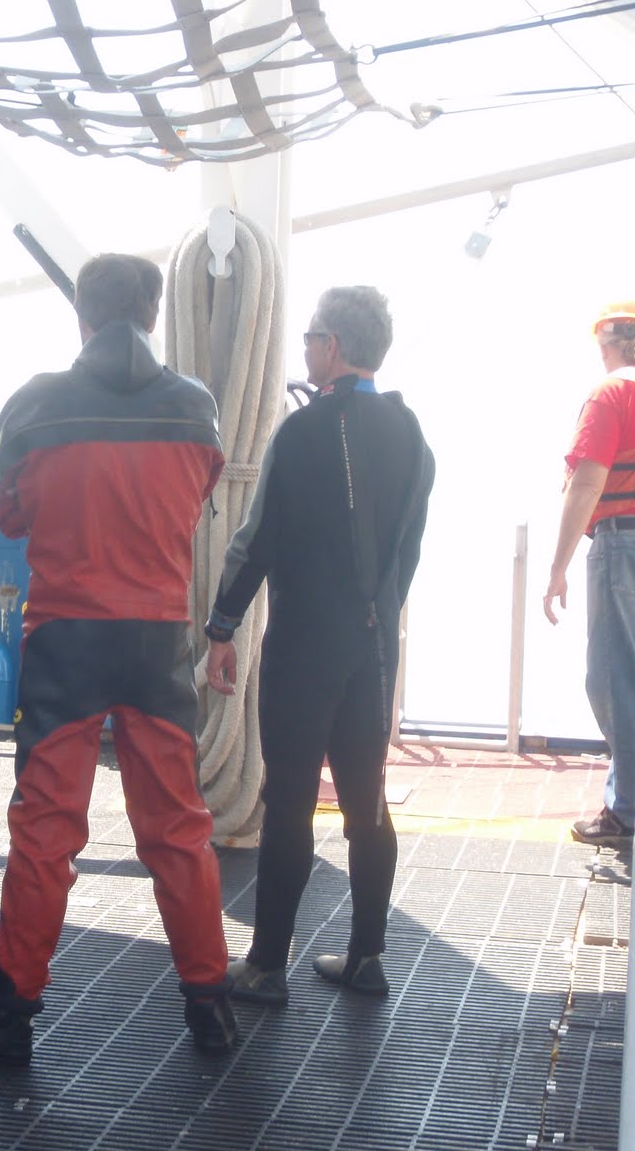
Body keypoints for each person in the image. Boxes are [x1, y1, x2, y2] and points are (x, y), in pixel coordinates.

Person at [0, 253, 236, 1064]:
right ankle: (209, 1007)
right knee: (178, 827)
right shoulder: (196, 408)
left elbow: (8, 513)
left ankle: (10, 1021)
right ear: (154, 311)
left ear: (81, 312)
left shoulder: (34, 406)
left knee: (46, 829)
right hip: (155, 640)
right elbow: (201, 497)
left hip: (65, 639)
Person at [205, 285, 434, 1004]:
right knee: (367, 803)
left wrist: (220, 626)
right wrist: (383, 625)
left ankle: (267, 964)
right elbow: (409, 551)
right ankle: (367, 957)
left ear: (331, 346)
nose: (304, 349)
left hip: (305, 645)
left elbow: (257, 540)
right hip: (374, 649)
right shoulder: (413, 435)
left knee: (291, 799)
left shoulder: (300, 434)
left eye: (309, 338)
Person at [543, 301, 635, 847]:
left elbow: (587, 482)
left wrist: (558, 566)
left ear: (608, 345)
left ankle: (629, 810)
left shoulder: (612, 393)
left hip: (624, 543)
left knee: (614, 678)